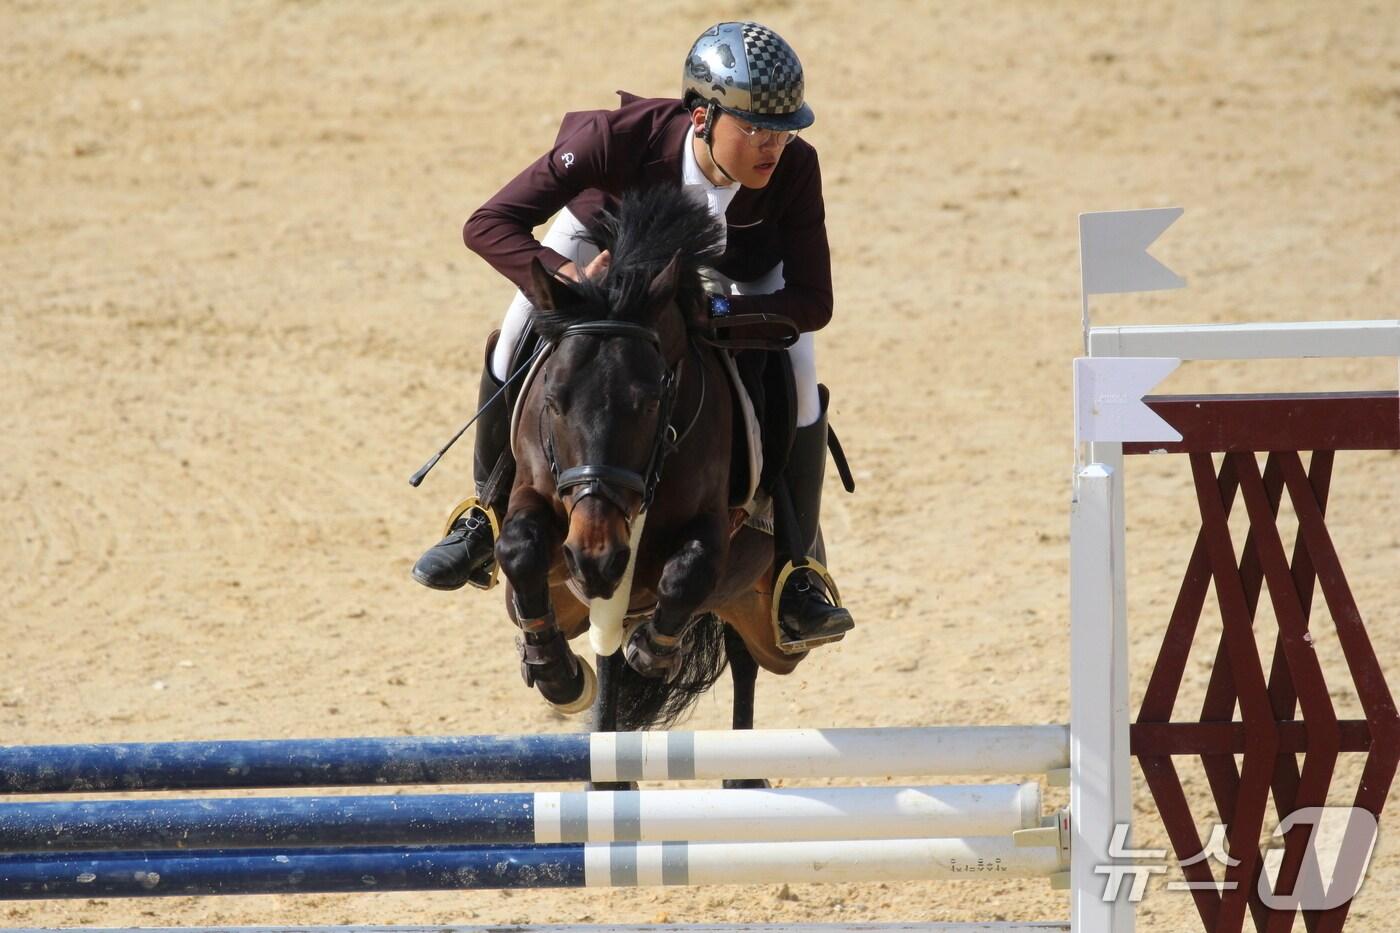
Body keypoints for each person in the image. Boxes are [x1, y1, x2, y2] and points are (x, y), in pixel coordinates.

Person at [413, 21, 853, 648]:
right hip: (603, 245)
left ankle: (797, 570)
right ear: (701, 118)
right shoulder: (614, 139)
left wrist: (716, 316)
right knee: (515, 331)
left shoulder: (796, 170)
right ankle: (482, 517)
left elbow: (814, 301)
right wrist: (564, 274)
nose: (773, 147)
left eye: (784, 131)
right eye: (756, 129)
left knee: (802, 377)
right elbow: (487, 223)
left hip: (736, 279)